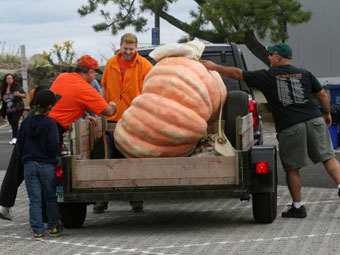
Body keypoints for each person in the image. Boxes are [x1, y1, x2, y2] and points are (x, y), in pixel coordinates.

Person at [200, 43, 340, 218]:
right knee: (328, 158)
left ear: (278, 57)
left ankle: (298, 207)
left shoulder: (267, 76)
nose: (268, 57)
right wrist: (326, 113)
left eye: (271, 54)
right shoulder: (305, 73)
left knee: (292, 167)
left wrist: (215, 67)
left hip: (291, 126)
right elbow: (323, 95)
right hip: (314, 119)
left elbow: (237, 74)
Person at [0, 55, 117, 221]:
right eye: (94, 74)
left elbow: (65, 101)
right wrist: (114, 104)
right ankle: (46, 217)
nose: (94, 78)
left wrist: (82, 112)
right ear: (89, 72)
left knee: (18, 162)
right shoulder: (86, 89)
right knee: (46, 168)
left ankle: (3, 205)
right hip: (50, 127)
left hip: (33, 118)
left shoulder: (63, 77)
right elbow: (107, 111)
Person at [94, 33, 153, 214]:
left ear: (136, 48)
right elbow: (103, 87)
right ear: (120, 46)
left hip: (134, 119)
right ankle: (102, 200)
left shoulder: (144, 65)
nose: (128, 52)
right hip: (111, 119)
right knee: (108, 159)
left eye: (131, 49)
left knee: (132, 159)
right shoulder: (111, 63)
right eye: (125, 48)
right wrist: (101, 110)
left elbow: (151, 90)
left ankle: (136, 200)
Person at [18, 89, 63, 238]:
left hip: (29, 164)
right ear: (50, 107)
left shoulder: (26, 122)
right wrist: (54, 156)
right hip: (46, 165)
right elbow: (53, 146)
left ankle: (37, 229)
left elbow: (20, 144)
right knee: (50, 196)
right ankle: (54, 226)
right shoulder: (51, 124)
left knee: (34, 199)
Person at [0, 74, 27, 145]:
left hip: (17, 108)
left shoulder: (17, 86)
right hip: (8, 109)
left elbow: (24, 95)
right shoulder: (4, 88)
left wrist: (19, 94)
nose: (9, 80)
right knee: (12, 123)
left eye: (10, 78)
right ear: (5, 80)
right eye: (8, 78)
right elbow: (3, 100)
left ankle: (15, 138)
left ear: (13, 79)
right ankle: (19, 136)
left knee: (14, 121)